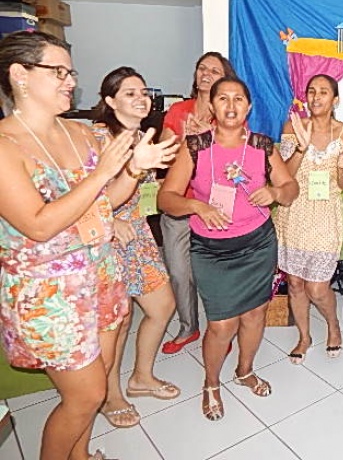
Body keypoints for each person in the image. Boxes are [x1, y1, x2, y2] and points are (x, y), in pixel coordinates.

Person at [0, 31, 178, 460]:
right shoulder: (5, 146)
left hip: (101, 275)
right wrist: (102, 175)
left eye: (71, 72)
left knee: (99, 380)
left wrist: (133, 170)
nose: (71, 81)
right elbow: (38, 225)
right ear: (20, 74)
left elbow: (108, 202)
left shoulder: (80, 134)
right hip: (51, 294)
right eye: (58, 72)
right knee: (86, 395)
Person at [158, 76, 298, 421]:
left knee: (255, 315)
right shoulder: (195, 146)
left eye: (238, 99)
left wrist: (276, 192)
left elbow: (290, 187)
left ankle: (245, 370)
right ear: (212, 105)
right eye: (223, 98)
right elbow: (166, 198)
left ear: (249, 107)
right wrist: (197, 206)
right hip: (212, 251)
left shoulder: (263, 146)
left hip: (257, 244)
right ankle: (211, 383)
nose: (231, 105)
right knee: (221, 326)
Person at [92, 67, 180, 429]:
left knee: (163, 305)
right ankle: (110, 395)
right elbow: (82, 192)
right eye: (129, 93)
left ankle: (141, 377)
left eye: (143, 92)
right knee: (119, 321)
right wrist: (109, 221)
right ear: (110, 101)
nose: (140, 98)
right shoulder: (98, 138)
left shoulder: (144, 137)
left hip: (139, 234)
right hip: (107, 236)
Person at [275, 74, 343, 364]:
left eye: (323, 92)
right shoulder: (292, 127)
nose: (316, 97)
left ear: (335, 100)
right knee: (296, 283)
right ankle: (304, 337)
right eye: (311, 91)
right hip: (293, 213)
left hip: (326, 216)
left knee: (318, 287)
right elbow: (283, 175)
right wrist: (301, 146)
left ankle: (333, 326)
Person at [159, 52, 236, 355]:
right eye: (202, 68)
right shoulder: (179, 111)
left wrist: (205, 143)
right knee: (179, 273)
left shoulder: (230, 115)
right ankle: (188, 327)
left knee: (217, 274)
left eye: (214, 70)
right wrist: (185, 142)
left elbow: (233, 165)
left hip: (214, 207)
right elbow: (162, 158)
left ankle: (221, 331)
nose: (206, 74)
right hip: (179, 205)